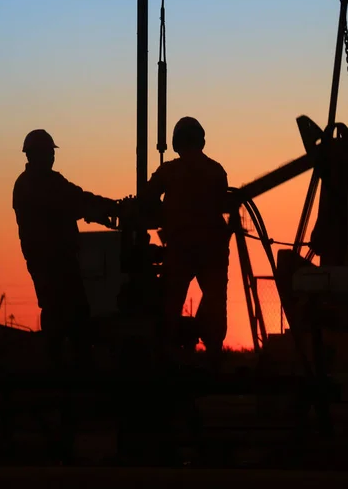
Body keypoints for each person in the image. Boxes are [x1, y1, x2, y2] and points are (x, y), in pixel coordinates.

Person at [13, 129, 117, 367]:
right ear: (36, 154)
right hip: (52, 259)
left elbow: (76, 199)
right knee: (69, 309)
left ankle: (61, 361)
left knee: (59, 308)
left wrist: (105, 210)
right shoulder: (38, 184)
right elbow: (74, 201)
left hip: (51, 258)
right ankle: (68, 364)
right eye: (49, 152)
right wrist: (109, 209)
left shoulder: (36, 182)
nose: (52, 157)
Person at [142, 117, 230, 366]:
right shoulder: (216, 170)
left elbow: (146, 198)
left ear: (177, 142)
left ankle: (169, 351)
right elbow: (222, 203)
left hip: (180, 247)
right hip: (213, 247)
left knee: (171, 301)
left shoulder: (169, 171)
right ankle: (213, 351)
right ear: (201, 140)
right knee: (215, 298)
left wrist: (164, 212)